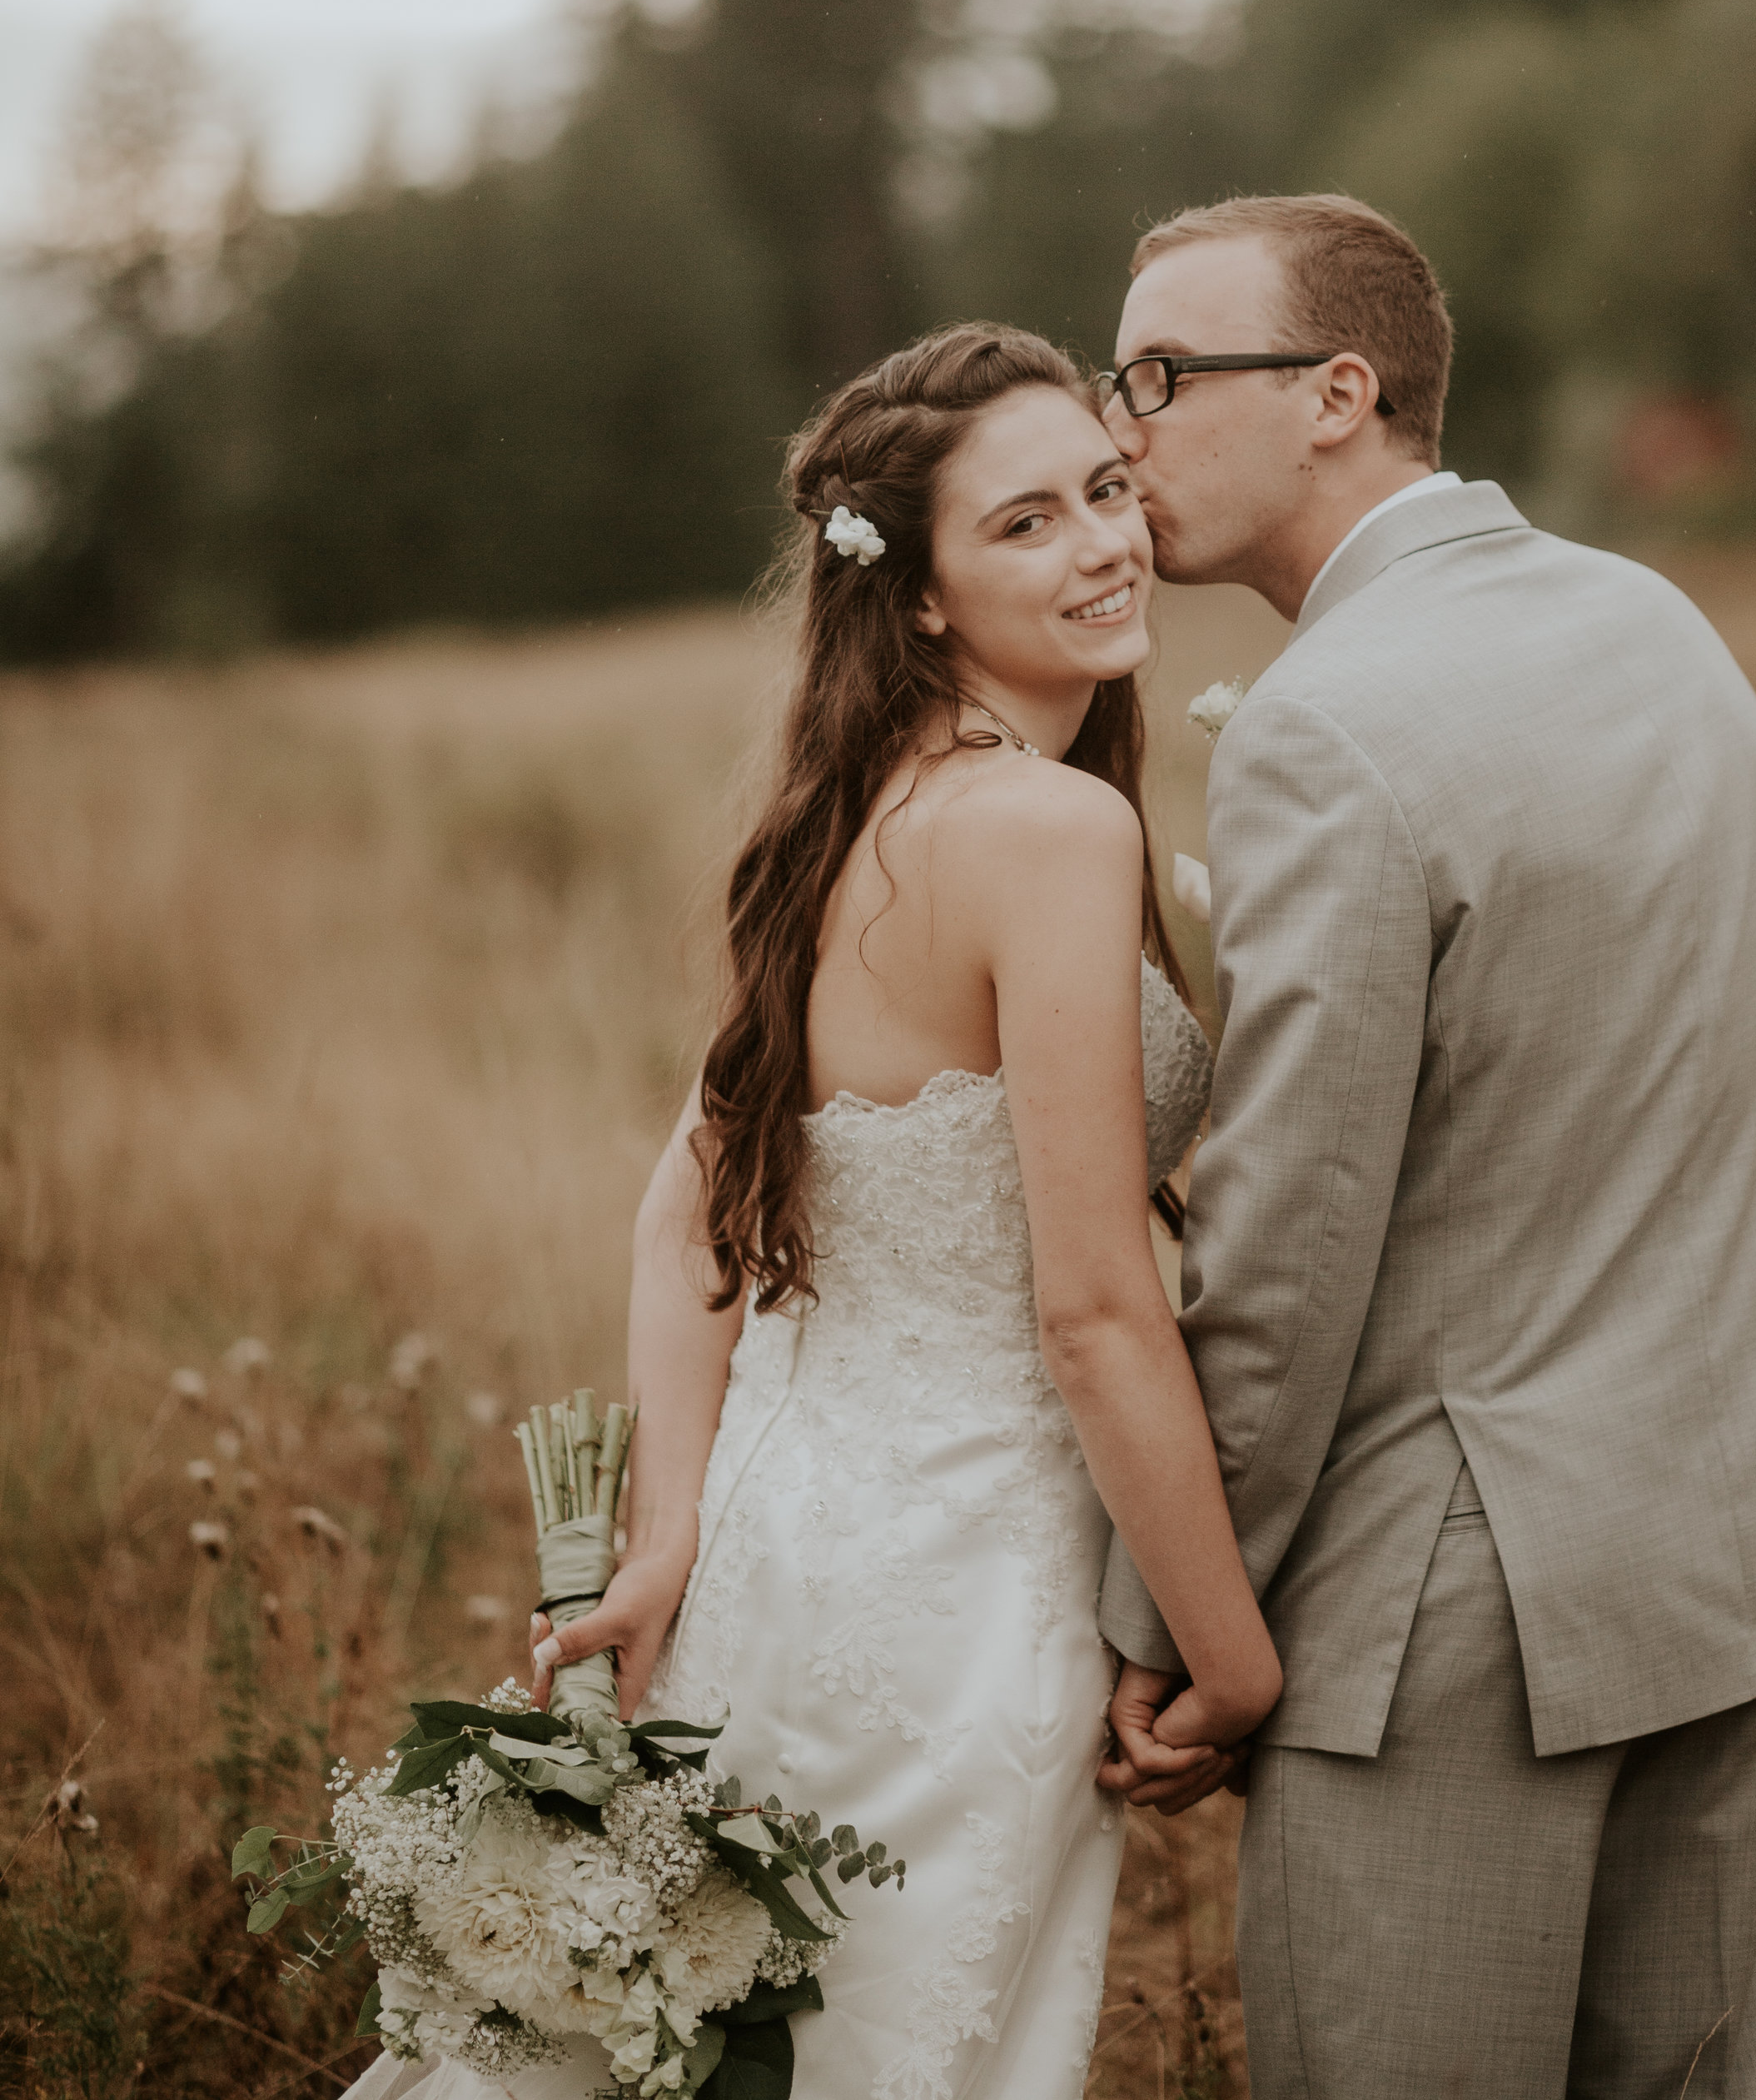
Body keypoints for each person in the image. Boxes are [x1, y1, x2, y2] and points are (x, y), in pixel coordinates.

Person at [354, 323, 1278, 2100]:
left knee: (705, 2053)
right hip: (956, 1592)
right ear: (917, 596)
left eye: (1104, 490)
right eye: (1023, 524)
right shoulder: (1042, 834)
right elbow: (1093, 1312)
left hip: (779, 1563)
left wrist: (671, 1543)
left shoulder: (847, 806)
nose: (1100, 542)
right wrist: (1229, 1665)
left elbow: (683, 1217)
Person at [1092, 195, 1756, 2100]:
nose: (1121, 431)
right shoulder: (1657, 624)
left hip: (1448, 1614)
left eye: (1167, 376)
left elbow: (1284, 1250)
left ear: (1340, 392)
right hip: (1710, 1543)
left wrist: (1178, 1618)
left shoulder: (1320, 729)